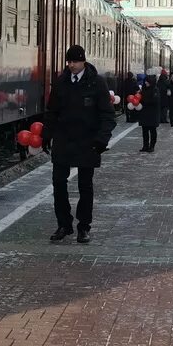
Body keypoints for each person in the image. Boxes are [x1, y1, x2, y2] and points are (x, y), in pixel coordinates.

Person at [42, 44, 114, 242]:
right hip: (64, 140)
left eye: (74, 61)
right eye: (69, 61)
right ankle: (64, 224)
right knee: (58, 183)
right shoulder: (61, 82)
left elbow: (108, 115)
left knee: (85, 185)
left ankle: (84, 227)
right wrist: (47, 135)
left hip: (87, 141)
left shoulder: (96, 83)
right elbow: (52, 112)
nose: (71, 65)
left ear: (83, 61)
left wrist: (101, 140)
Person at [138, 69, 167, 152]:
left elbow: (155, 101)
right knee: (145, 131)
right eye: (145, 82)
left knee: (152, 131)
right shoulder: (143, 89)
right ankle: (145, 146)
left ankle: (152, 146)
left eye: (147, 82)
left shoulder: (155, 90)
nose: (146, 83)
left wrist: (143, 101)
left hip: (152, 114)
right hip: (144, 113)